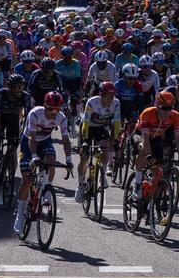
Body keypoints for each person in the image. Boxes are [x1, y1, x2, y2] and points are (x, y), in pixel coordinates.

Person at [14, 91, 74, 235]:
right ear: (45, 105)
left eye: (57, 109)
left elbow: (66, 140)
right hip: (28, 143)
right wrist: (34, 156)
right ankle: (20, 213)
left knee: (50, 160)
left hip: (45, 142)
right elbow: (32, 139)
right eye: (51, 109)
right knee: (27, 180)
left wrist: (68, 159)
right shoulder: (35, 114)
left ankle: (46, 187)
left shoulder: (61, 118)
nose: (54, 112)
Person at [131, 90, 179, 194]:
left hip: (156, 138)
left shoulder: (175, 116)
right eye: (164, 108)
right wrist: (149, 154)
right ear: (157, 106)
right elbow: (145, 137)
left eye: (170, 108)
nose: (167, 112)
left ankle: (149, 196)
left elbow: (178, 137)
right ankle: (137, 183)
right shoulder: (147, 113)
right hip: (140, 135)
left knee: (157, 172)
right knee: (142, 149)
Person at [77, 81, 121, 201]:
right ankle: (80, 186)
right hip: (87, 128)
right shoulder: (92, 102)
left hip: (101, 127)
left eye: (112, 97)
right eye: (108, 97)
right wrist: (85, 140)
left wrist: (116, 139)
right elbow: (85, 122)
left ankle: (102, 173)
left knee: (106, 145)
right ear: (101, 94)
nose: (111, 100)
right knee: (85, 158)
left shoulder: (116, 103)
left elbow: (117, 123)